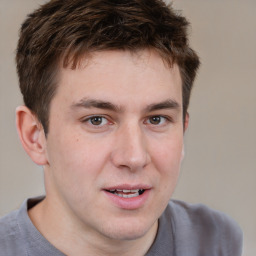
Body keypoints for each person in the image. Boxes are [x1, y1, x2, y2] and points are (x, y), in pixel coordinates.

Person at [0, 0, 243, 255]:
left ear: (182, 130)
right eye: (97, 120)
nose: (134, 157)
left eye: (157, 119)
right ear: (35, 136)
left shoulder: (219, 242)